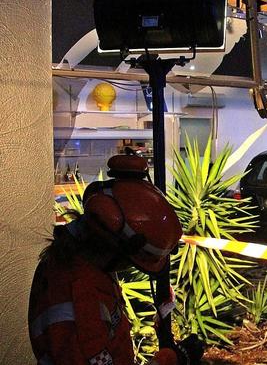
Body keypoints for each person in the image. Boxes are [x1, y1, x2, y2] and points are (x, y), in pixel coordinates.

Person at [28, 154, 204, 365]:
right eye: (131, 261)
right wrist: (171, 359)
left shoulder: (83, 262)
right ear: (113, 247)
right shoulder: (78, 304)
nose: (129, 266)